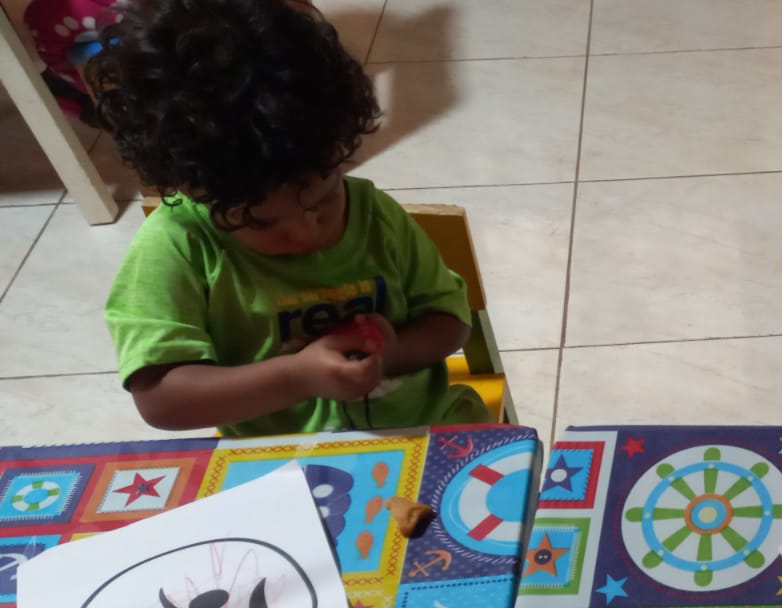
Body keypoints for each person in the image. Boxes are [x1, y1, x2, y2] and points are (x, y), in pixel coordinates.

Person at [92, 0, 489, 437]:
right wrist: (298, 377)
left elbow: (450, 322)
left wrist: (391, 353)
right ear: (193, 192)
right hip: (276, 460)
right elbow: (161, 402)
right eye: (263, 223)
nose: (305, 231)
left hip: (420, 432)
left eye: (323, 201)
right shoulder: (177, 246)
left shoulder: (375, 215)